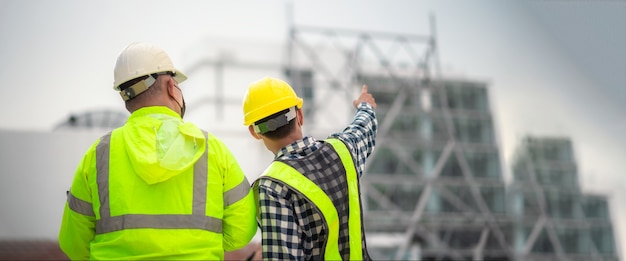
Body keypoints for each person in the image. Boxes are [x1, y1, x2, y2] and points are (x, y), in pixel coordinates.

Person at [58, 42, 257, 260]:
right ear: (172, 86)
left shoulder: (97, 155)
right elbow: (243, 229)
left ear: (126, 99)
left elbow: (73, 243)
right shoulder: (211, 149)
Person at [241, 77, 377, 260]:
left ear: (254, 132)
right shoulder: (343, 151)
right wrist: (364, 105)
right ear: (300, 115)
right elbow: (363, 127)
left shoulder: (271, 186)